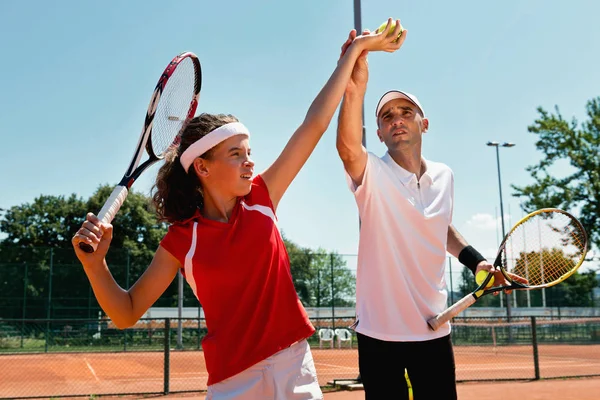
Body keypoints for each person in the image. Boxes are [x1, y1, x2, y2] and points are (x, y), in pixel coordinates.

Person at [71, 22, 403, 400]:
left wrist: (351, 56)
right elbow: (127, 311)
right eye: (236, 154)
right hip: (233, 382)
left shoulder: (262, 197)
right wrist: (95, 266)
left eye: (249, 153)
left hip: (293, 367)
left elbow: (314, 124)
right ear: (203, 167)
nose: (250, 163)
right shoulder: (182, 239)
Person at [336, 27, 527, 399]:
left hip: (435, 329)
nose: (396, 119)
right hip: (380, 334)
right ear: (378, 133)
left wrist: (477, 262)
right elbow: (347, 149)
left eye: (406, 112)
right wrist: (354, 88)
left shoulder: (444, 176)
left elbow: (440, 228)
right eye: (387, 115)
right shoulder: (371, 172)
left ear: (424, 124)